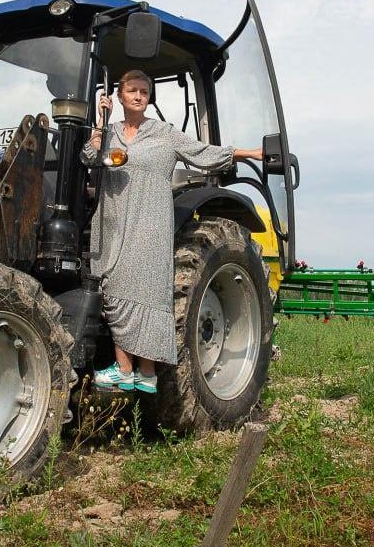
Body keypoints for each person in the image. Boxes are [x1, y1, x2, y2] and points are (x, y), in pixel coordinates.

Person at [81, 69, 261, 393]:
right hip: (113, 221)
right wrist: (98, 123)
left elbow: (203, 153)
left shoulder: (163, 133)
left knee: (148, 289)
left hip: (149, 219)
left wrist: (247, 153)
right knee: (110, 285)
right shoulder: (109, 133)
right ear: (119, 96)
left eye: (144, 92)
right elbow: (88, 156)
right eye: (132, 90)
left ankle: (140, 371)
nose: (138, 96)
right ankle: (134, 370)